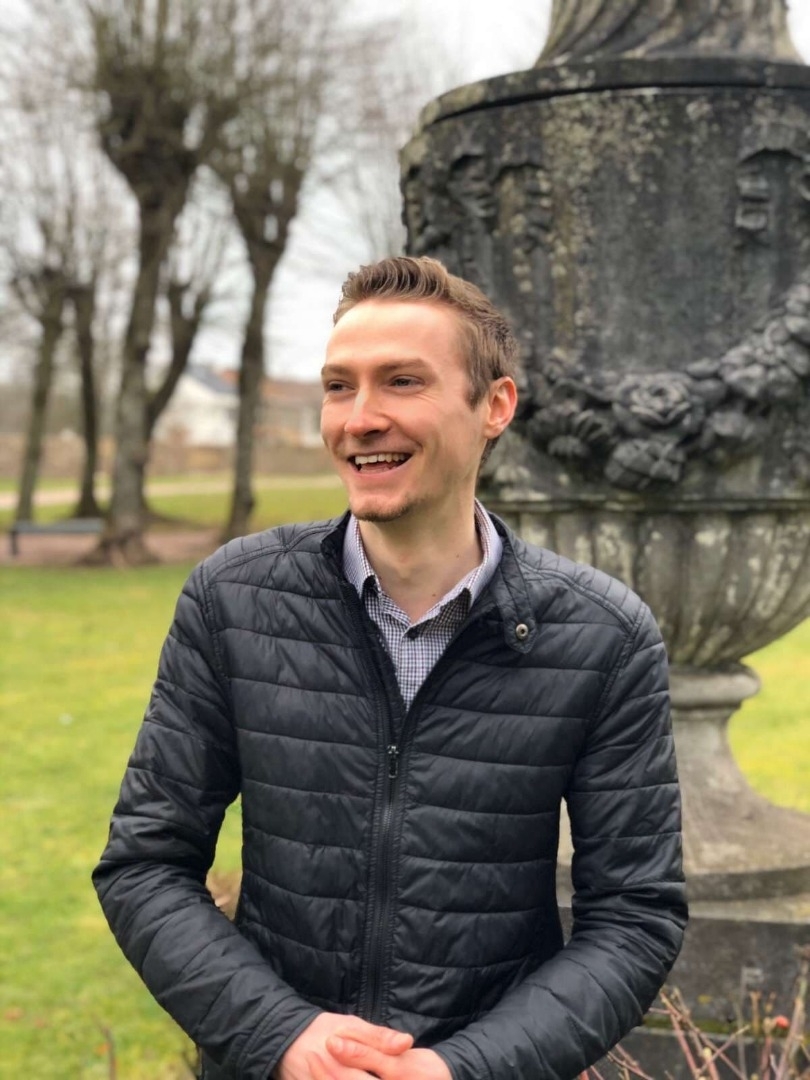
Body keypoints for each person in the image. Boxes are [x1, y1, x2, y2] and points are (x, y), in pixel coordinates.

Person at [94, 256, 687, 1080]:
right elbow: (146, 865)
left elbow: (634, 917)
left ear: (495, 406)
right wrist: (284, 1037)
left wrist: (460, 1069)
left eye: (402, 382)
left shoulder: (603, 636)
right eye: (339, 387)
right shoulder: (233, 599)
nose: (360, 419)